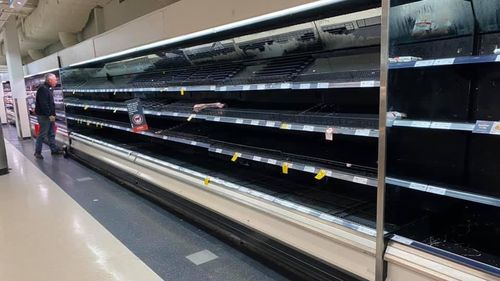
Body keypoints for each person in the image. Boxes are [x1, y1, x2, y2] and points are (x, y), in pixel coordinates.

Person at [34, 73, 62, 159]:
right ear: (49, 80)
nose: (56, 81)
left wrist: (52, 114)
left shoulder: (48, 88)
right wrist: (50, 115)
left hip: (49, 115)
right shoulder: (43, 89)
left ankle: (54, 149)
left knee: (51, 133)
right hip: (44, 116)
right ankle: (37, 152)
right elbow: (44, 104)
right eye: (55, 79)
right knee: (42, 134)